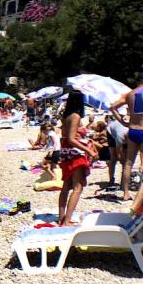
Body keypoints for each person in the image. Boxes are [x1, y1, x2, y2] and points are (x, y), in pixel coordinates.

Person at [57, 92, 98, 226]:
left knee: (66, 186)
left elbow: (67, 137)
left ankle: (62, 218)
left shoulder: (66, 116)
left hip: (65, 152)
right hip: (74, 153)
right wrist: (89, 150)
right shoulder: (75, 116)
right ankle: (67, 221)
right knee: (77, 187)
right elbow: (72, 139)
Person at [112, 85, 143, 202]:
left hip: (132, 130)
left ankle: (125, 193)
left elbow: (113, 107)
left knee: (128, 163)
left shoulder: (130, 94)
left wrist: (122, 122)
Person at [106, 112, 129, 189]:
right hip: (111, 132)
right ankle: (111, 179)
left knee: (126, 161)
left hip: (120, 128)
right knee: (113, 158)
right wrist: (121, 159)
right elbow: (118, 155)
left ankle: (123, 182)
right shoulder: (120, 136)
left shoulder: (133, 136)